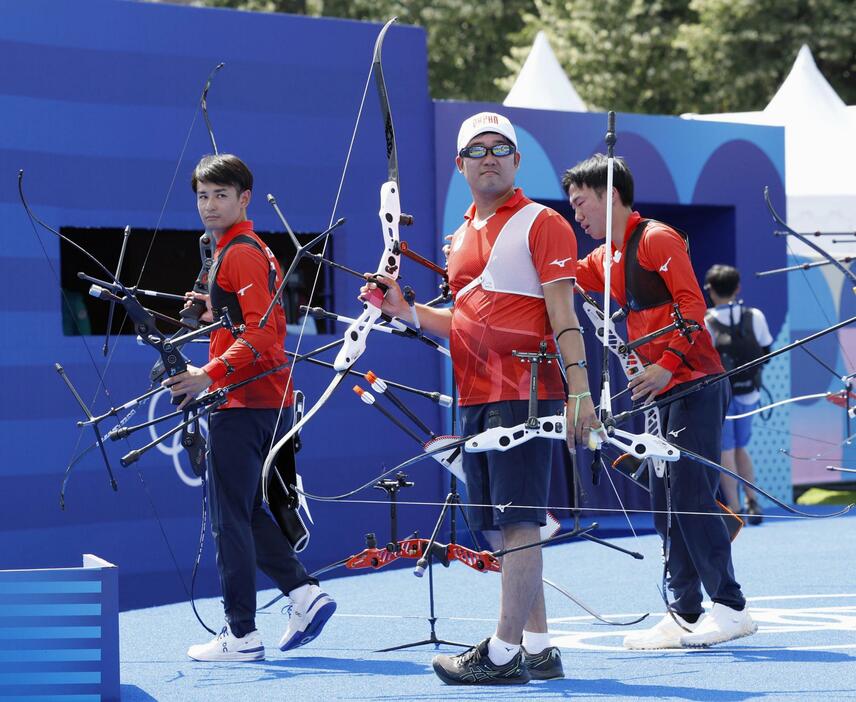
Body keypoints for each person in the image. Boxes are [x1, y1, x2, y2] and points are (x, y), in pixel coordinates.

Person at [363, 112, 596, 685]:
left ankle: (500, 653)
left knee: (516, 523)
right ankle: (540, 648)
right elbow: (464, 320)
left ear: (517, 160)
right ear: (460, 163)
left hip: (527, 390)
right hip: (473, 392)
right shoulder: (461, 235)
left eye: (500, 148)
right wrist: (406, 312)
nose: (488, 156)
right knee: (500, 527)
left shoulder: (544, 222)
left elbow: (563, 315)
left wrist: (581, 391)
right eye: (476, 149)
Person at [562, 154, 757, 649]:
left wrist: (666, 364)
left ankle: (731, 608)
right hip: (660, 393)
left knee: (690, 498)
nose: (577, 216)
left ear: (610, 195)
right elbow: (555, 278)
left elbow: (693, 307)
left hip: (692, 384)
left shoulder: (656, 239)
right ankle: (684, 611)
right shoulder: (602, 259)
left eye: (582, 204)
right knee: (666, 504)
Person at [164, 154, 335, 661]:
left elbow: (261, 332)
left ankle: (241, 634)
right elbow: (247, 320)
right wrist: (210, 310)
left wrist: (205, 375)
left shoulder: (238, 252)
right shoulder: (245, 250)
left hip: (245, 400)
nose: (210, 204)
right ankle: (304, 595)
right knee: (240, 510)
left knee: (227, 517)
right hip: (264, 398)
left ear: (244, 199)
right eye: (202, 196)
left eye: (221, 195)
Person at [704, 264, 773, 525]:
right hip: (750, 394)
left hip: (721, 396)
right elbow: (766, 350)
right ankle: (752, 501)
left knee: (726, 450)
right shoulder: (754, 315)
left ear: (710, 291)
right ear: (738, 288)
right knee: (741, 447)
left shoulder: (706, 320)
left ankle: (734, 508)